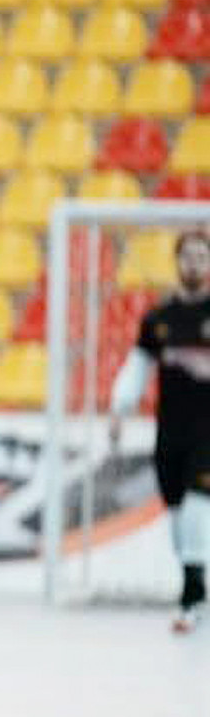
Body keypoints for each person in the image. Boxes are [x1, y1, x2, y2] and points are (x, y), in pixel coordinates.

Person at [108, 229, 210, 634]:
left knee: (200, 503)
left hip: (209, 431)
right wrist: (119, 409)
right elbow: (137, 367)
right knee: (178, 512)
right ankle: (197, 584)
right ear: (177, 261)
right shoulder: (159, 320)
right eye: (188, 256)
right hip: (170, 430)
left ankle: (190, 596)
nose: (194, 264)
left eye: (202, 257)